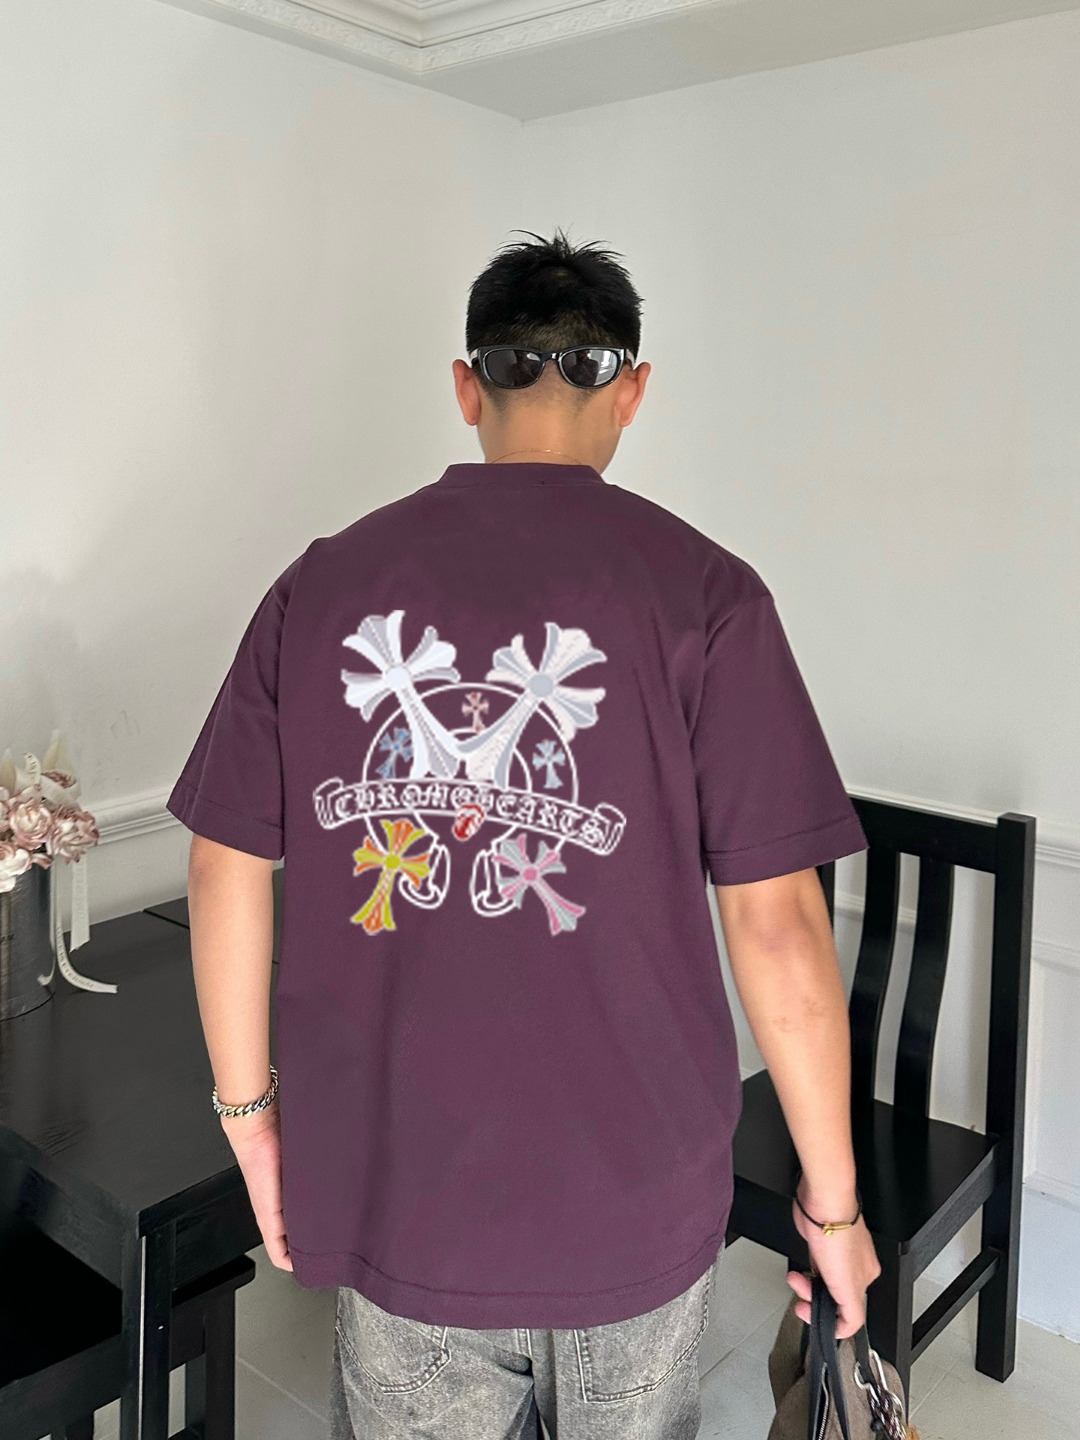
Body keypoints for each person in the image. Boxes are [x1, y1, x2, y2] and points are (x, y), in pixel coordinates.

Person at [167, 227, 882, 1440]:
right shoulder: (709, 594)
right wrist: (835, 1209)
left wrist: (253, 1127)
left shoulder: (320, 584)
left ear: (467, 387)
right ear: (632, 392)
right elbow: (779, 927)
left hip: (401, 1190)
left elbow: (222, 862)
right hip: (635, 1201)